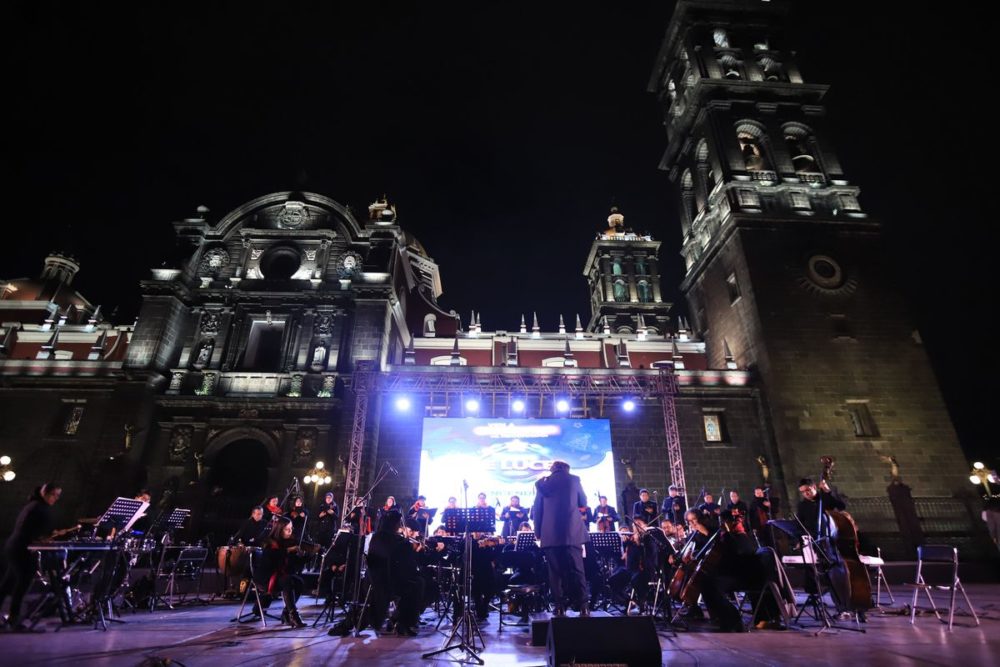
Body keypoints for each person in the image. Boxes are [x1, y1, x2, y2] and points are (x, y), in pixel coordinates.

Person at [0, 482, 63, 629]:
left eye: (58, 496)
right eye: (54, 495)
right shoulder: (39, 508)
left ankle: (13, 619)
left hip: (15, 547)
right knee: (22, 584)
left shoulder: (34, 505)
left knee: (9, 584)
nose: (56, 498)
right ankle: (14, 620)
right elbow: (31, 533)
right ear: (46, 493)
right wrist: (47, 537)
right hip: (22, 549)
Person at [532, 460, 589, 616]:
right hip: (572, 532)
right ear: (567, 469)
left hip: (550, 534)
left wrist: (538, 533)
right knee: (578, 570)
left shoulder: (542, 484)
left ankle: (559, 607)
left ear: (552, 469)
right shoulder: (574, 479)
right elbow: (583, 502)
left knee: (555, 572)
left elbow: (537, 510)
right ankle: (584, 607)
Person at [366, 510, 425, 636]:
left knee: (415, 584)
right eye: (398, 524)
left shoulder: (377, 537)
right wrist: (413, 550)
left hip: (374, 579)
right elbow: (406, 564)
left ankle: (398, 620)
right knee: (417, 584)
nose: (399, 526)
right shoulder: (398, 541)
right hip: (388, 582)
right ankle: (402, 622)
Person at [261, 518, 309, 628]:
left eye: (291, 529)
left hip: (280, 576)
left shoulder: (288, 543)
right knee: (287, 580)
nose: (290, 531)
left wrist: (307, 557)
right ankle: (293, 615)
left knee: (299, 582)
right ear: (279, 529)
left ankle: (286, 613)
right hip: (267, 577)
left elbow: (292, 564)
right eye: (287, 529)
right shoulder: (269, 542)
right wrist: (287, 551)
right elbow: (270, 560)